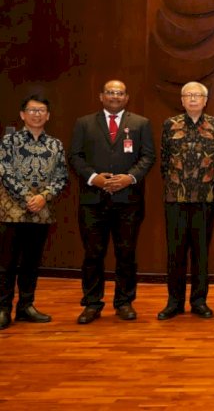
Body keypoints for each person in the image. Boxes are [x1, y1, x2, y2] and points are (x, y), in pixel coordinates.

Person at [69, 80, 156, 324]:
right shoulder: (84, 123)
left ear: (126, 97)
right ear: (101, 96)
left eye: (119, 93)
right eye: (110, 92)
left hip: (128, 199)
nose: (115, 96)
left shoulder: (141, 123)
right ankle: (92, 303)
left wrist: (130, 178)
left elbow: (148, 156)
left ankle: (124, 302)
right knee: (93, 253)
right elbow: (74, 156)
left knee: (126, 253)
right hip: (92, 200)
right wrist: (93, 178)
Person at [157, 81, 214, 320]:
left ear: (205, 100)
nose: (193, 99)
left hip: (205, 198)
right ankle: (174, 303)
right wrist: (177, 184)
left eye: (198, 95)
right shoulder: (170, 124)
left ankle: (199, 301)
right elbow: (164, 161)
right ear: (182, 100)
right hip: (176, 197)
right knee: (175, 252)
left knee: (201, 253)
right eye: (188, 95)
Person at [0, 95, 67, 330]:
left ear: (48, 115)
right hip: (12, 212)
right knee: (6, 263)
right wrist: (28, 197)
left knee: (31, 262)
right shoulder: (9, 141)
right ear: (22, 114)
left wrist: (43, 197)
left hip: (42, 212)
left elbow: (61, 177)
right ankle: (3, 308)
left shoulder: (55, 144)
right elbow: (5, 172)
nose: (37, 114)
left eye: (41, 111)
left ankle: (26, 306)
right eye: (32, 110)